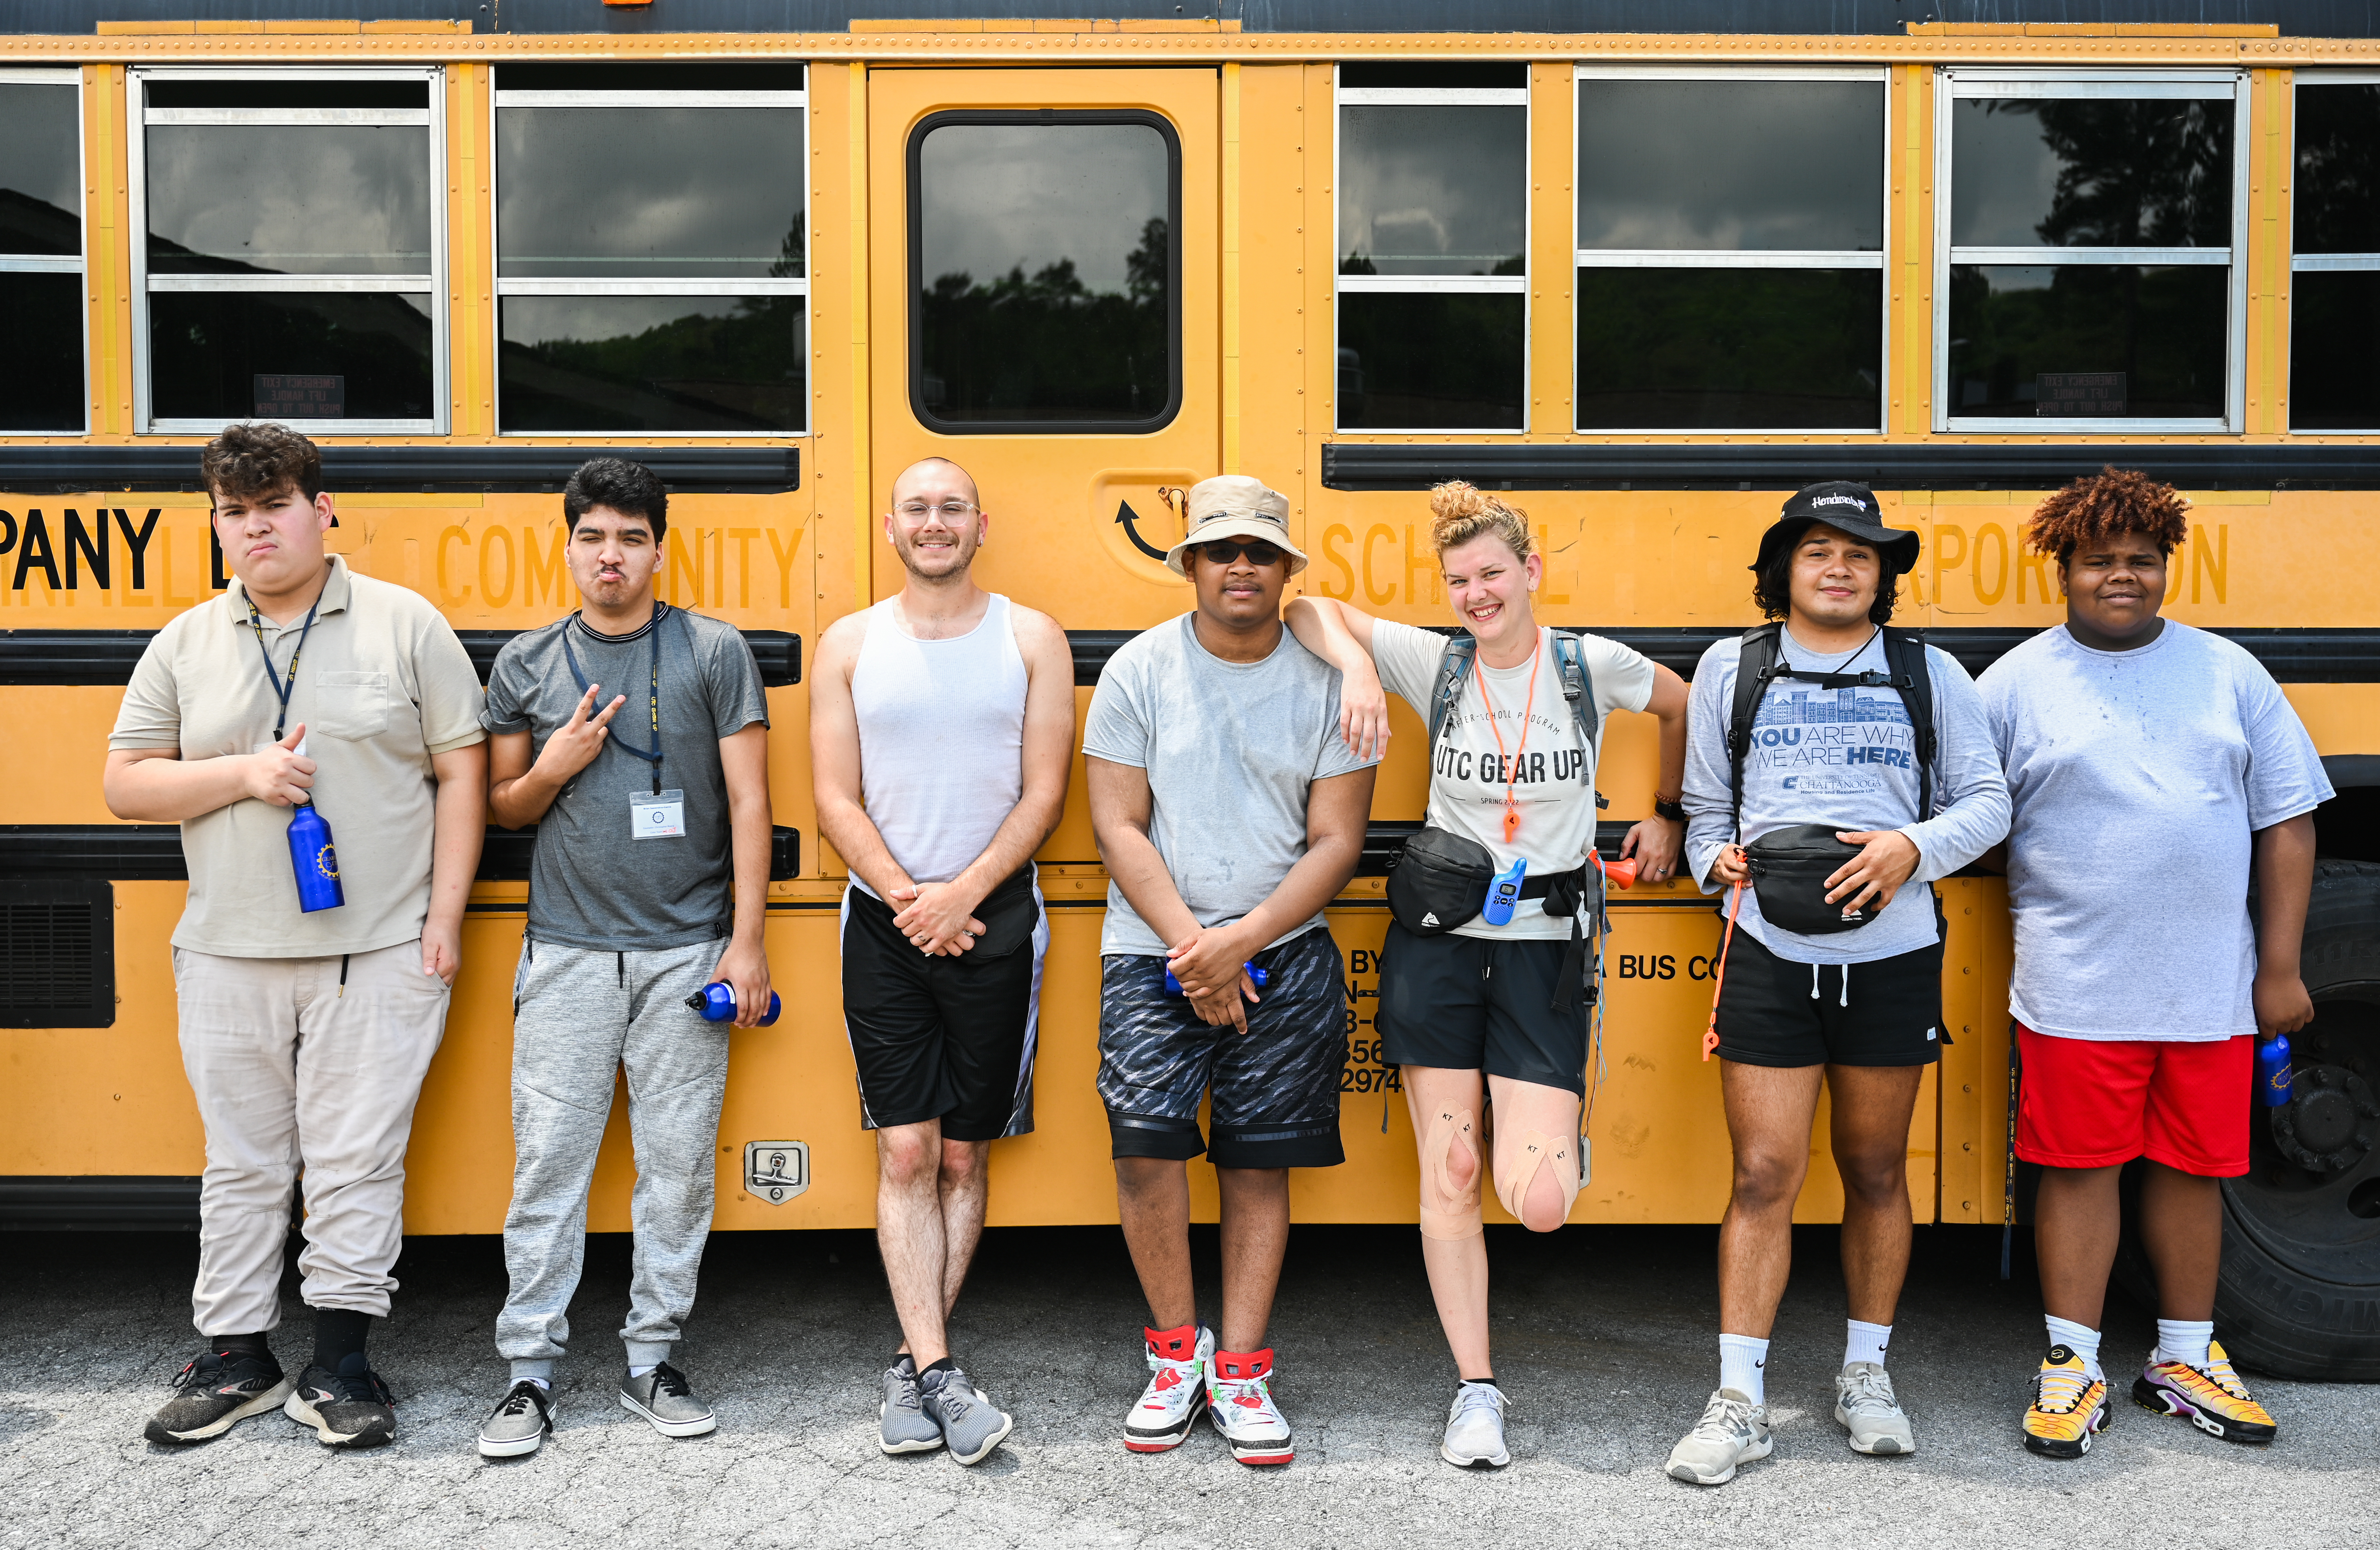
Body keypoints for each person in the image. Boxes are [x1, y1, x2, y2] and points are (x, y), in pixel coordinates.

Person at [1284, 481, 1689, 1469]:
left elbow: (1684, 702)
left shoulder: (1588, 665)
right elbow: (1307, 606)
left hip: (1546, 945)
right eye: (1458, 579)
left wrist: (1669, 808)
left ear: (1531, 570)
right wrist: (1358, 672)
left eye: (1491, 574)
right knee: (1452, 1171)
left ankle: (1548, 1135)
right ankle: (1476, 1390)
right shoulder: (1440, 660)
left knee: (1539, 1201)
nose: (1475, 594)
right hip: (1440, 938)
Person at [107, 422, 488, 1450]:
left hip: (378, 951)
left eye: (273, 505)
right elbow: (125, 782)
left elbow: (463, 771)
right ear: (216, 525)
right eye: (234, 512)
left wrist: (442, 919)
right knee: (240, 1163)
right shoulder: (187, 640)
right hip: (226, 949)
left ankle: (341, 1362)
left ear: (322, 510)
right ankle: (236, 1357)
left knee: (357, 1159)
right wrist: (243, 774)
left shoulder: (406, 625)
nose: (254, 528)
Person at [1979, 469, 2327, 1458]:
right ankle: (2072, 1360)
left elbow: (2287, 821)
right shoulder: (2013, 682)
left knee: (2192, 1167)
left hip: (2208, 984)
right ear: (2064, 570)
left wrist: (2279, 965)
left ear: (2167, 568)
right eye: (2099, 561)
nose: (2120, 576)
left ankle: (2181, 1355)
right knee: (2079, 1168)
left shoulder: (2228, 672)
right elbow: (1976, 816)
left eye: (2140, 560)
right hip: (2073, 983)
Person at [1667, 482, 2009, 1484]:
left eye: (1861, 553)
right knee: (1763, 1175)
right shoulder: (1734, 666)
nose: (1839, 566)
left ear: (1883, 576)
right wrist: (1712, 862)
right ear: (1783, 569)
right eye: (1818, 549)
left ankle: (1866, 1374)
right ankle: (1739, 1399)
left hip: (1893, 953)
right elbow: (1700, 809)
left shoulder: (1928, 671)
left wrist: (1912, 845)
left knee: (1874, 1169)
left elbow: (1987, 802)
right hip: (1767, 950)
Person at [473, 457, 773, 1457]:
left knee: (677, 1169)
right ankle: (528, 1373)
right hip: (564, 952)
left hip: (688, 953)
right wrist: (552, 766)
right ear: (568, 545)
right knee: (548, 1167)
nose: (612, 555)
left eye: (631, 537)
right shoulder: (527, 661)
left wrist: (747, 945)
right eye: (594, 535)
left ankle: (653, 1357)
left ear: (657, 546)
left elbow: (749, 807)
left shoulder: (713, 650)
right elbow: (499, 807)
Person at [1084, 474, 1378, 1468]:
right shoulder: (1137, 669)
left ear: (1286, 569)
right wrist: (1195, 949)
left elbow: (1336, 843)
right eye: (1220, 550)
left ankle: (1241, 1366)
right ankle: (1176, 1355)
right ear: (1193, 566)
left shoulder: (1331, 683)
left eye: (1259, 550)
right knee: (1144, 1152)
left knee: (1259, 1162)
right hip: (1152, 950)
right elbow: (1116, 823)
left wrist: (1240, 941)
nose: (1240, 565)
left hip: (1282, 952)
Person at [809, 456, 1073, 1467]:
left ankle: (916, 1368)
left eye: (950, 508)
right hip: (884, 923)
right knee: (905, 1151)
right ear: (890, 526)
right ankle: (939, 1371)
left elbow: (1043, 792)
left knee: (965, 1153)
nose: (933, 522)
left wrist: (963, 895)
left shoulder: (1030, 637)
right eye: (916, 508)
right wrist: (912, 898)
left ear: (980, 523)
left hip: (998, 918)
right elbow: (836, 796)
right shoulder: (850, 643)